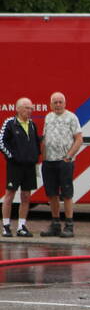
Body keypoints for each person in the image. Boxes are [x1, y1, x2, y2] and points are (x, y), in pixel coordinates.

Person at [40, 92, 83, 238]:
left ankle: (69, 225)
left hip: (64, 162)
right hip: (49, 162)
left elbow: (79, 139)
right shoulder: (48, 117)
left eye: (60, 102)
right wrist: (43, 158)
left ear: (65, 103)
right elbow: (45, 139)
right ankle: (55, 224)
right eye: (55, 102)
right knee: (51, 194)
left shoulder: (72, 117)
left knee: (66, 194)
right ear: (50, 104)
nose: (58, 105)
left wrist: (68, 157)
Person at [0, 97, 42, 237]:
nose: (29, 110)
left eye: (31, 108)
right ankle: (6, 226)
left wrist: (36, 157)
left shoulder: (32, 124)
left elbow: (36, 142)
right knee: (9, 195)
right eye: (26, 107)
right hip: (15, 166)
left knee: (26, 197)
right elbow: (1, 142)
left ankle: (21, 226)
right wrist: (12, 157)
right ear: (17, 109)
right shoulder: (10, 123)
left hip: (29, 166)